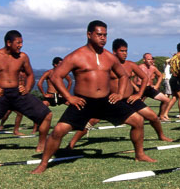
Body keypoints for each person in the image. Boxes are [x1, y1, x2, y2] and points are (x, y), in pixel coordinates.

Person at [32, 21, 155, 174]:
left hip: (106, 100)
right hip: (84, 101)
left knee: (138, 121)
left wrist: (120, 94)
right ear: (89, 35)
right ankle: (43, 163)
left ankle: (140, 154)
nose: (103, 38)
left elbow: (123, 75)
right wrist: (69, 97)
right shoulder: (76, 55)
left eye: (105, 35)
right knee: (58, 130)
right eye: (99, 35)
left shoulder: (109, 57)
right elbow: (57, 76)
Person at [66, 39, 173, 149]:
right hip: (113, 100)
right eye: (122, 51)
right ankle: (71, 144)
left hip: (130, 99)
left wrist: (138, 94)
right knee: (93, 120)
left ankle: (161, 135)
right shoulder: (107, 65)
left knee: (153, 117)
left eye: (126, 51)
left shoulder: (130, 64)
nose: (125, 53)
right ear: (114, 52)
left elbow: (144, 77)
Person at [0, 30, 52, 159]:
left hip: (17, 93)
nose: (21, 45)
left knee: (46, 115)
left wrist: (27, 88)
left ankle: (41, 145)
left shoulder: (23, 57)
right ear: (9, 43)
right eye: (18, 43)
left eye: (22, 42)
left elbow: (30, 74)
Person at [137, 53, 171, 120]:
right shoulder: (140, 67)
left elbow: (160, 75)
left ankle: (161, 116)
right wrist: (134, 86)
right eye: (148, 59)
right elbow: (129, 76)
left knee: (166, 100)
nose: (151, 61)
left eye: (151, 59)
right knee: (134, 104)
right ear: (144, 60)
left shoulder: (153, 68)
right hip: (140, 88)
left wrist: (157, 85)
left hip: (149, 88)